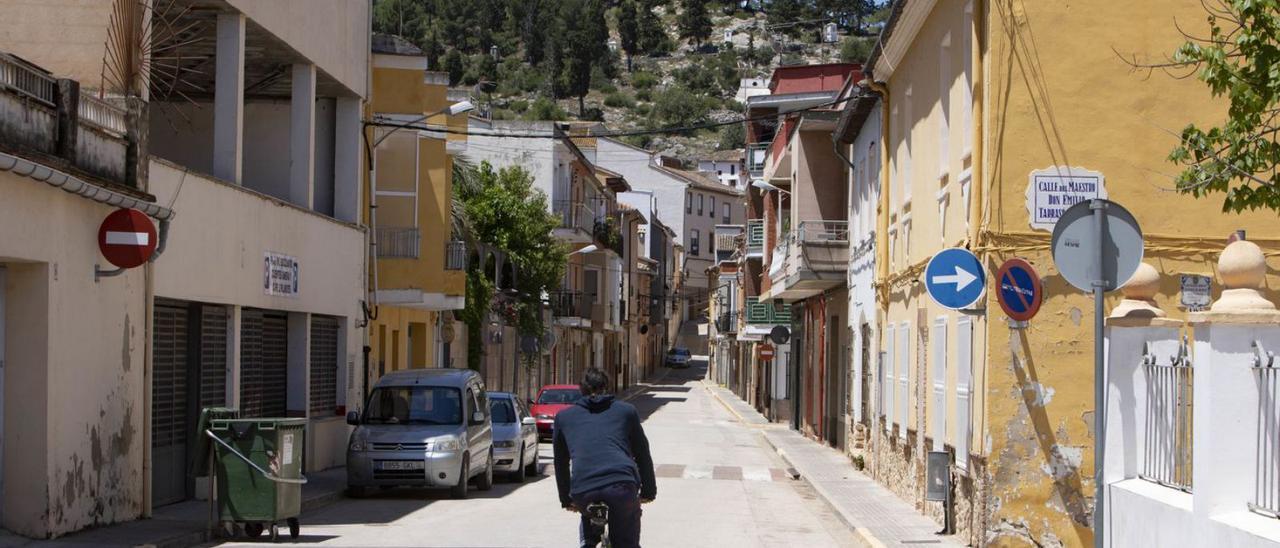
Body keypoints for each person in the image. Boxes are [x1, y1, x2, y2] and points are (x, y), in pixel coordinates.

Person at [553, 368, 656, 548]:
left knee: (588, 511)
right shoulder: (627, 412)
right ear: (606, 387)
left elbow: (560, 462)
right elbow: (642, 453)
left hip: (583, 488)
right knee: (626, 540)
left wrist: (566, 499)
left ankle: (588, 542)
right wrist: (648, 491)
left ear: (581, 389)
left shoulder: (564, 417)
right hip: (621, 486)